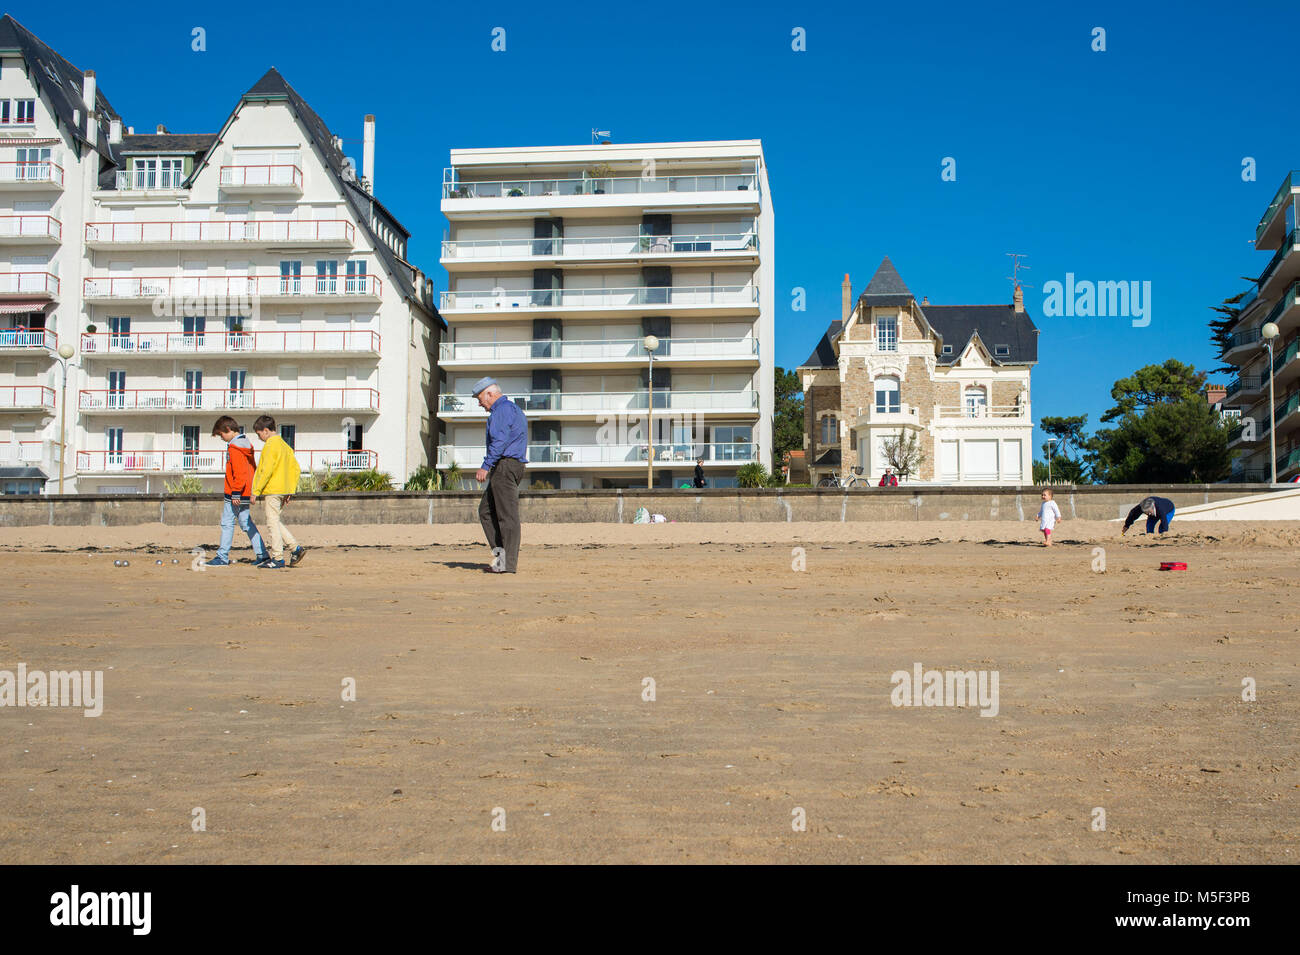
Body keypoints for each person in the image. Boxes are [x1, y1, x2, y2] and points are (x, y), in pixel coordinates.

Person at [473, 377, 528, 573]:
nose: (480, 404)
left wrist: (485, 466)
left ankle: (506, 564)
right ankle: (501, 559)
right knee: (486, 512)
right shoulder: (513, 409)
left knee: (507, 517)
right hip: (510, 466)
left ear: (490, 393)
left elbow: (500, 440)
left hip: (504, 466)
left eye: (480, 399)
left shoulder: (501, 411)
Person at [206, 416, 268, 567]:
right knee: (245, 523)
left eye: (222, 435)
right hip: (245, 491)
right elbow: (249, 471)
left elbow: (239, 473)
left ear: (228, 430)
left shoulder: (235, 447)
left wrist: (235, 493)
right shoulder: (246, 444)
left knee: (227, 523)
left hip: (236, 492)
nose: (222, 438)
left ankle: (222, 556)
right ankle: (262, 554)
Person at [249, 414, 305, 570]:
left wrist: (256, 491)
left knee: (271, 523)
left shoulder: (270, 445)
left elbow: (265, 470)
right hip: (284, 489)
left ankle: (277, 558)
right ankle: (295, 548)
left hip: (273, 489)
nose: (259, 437)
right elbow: (295, 469)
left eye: (259, 434)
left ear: (266, 430)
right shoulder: (285, 446)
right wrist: (290, 490)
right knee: (275, 520)